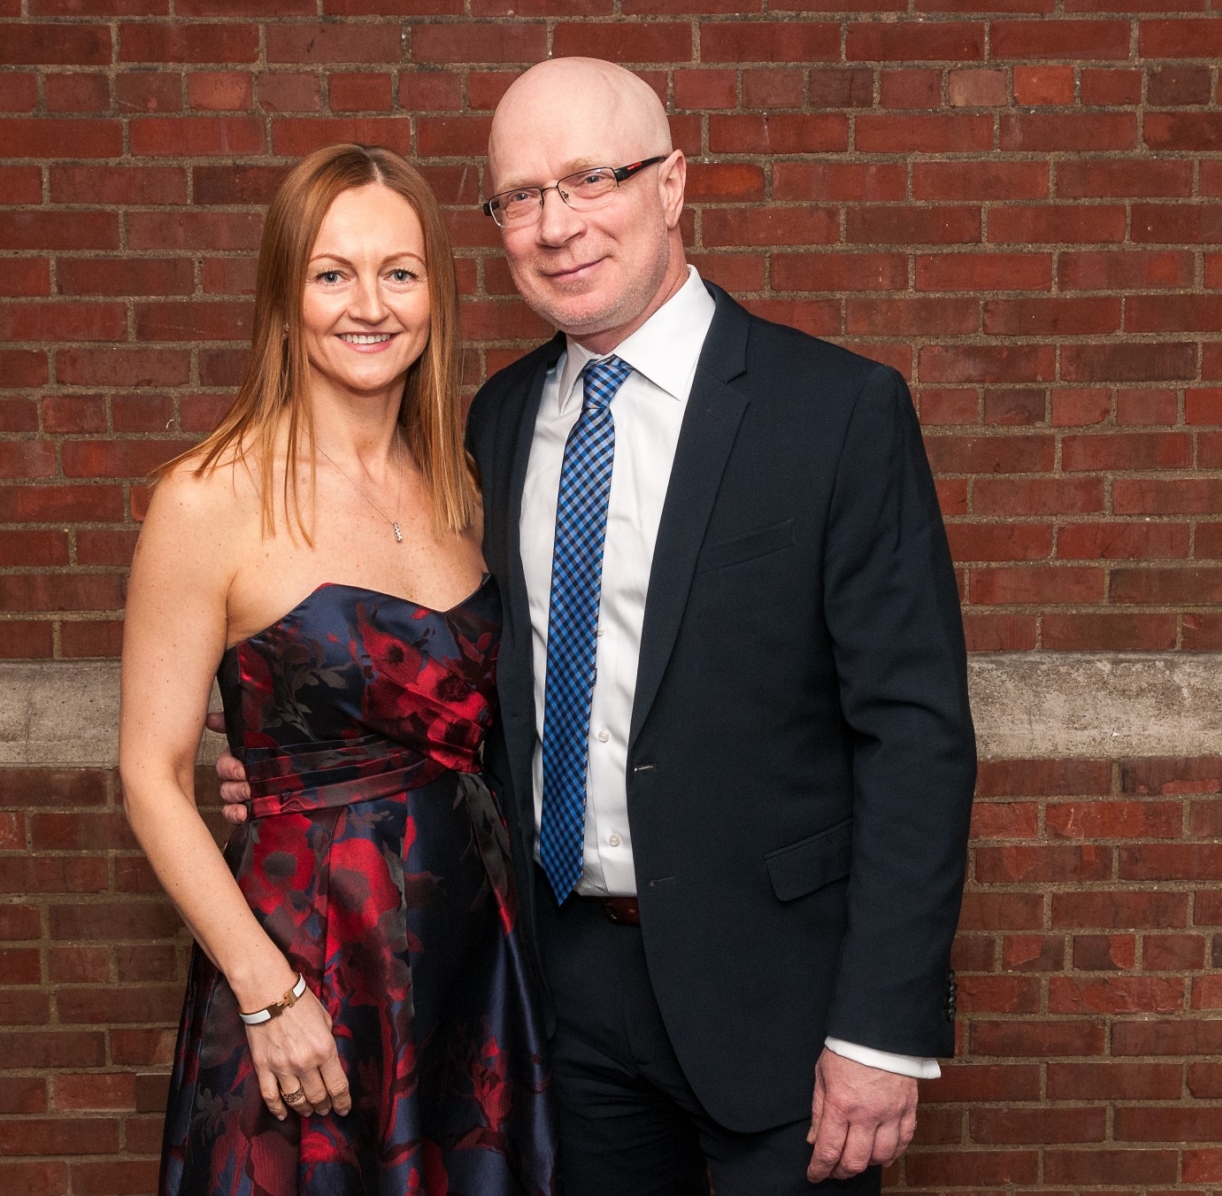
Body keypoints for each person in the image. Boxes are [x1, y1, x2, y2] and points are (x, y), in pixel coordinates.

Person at [219, 58, 976, 1194]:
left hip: (780, 1001)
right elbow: (467, 681)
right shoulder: (497, 420)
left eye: (591, 179)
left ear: (671, 184)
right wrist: (302, 758)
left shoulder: (834, 412)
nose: (556, 225)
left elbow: (916, 736)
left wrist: (881, 1028)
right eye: (521, 196)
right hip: (553, 992)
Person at [120, 142, 554, 1196]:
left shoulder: (463, 482)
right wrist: (266, 991)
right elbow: (151, 774)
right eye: (332, 274)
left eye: (399, 272)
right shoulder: (207, 498)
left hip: (472, 961)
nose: (370, 305)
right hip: (306, 963)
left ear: (435, 296)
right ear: (285, 298)